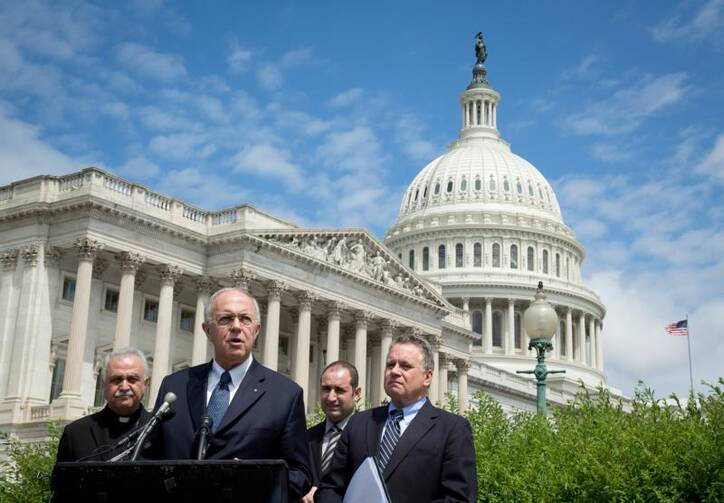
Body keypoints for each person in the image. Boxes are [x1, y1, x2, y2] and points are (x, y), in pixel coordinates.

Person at [149, 287, 312, 501]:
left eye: (245, 319)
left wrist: (256, 479)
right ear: (207, 329)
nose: (236, 327)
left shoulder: (285, 395)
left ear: (256, 330)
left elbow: (300, 475)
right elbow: (149, 458)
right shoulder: (175, 386)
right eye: (226, 319)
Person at [315, 334, 477, 502]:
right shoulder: (359, 423)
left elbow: (459, 498)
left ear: (427, 377)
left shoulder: (452, 429)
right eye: (390, 364)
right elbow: (330, 487)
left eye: (405, 366)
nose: (394, 371)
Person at [55, 347, 151, 462]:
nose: (124, 387)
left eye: (132, 379)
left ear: (145, 384)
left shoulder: (160, 431)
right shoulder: (76, 433)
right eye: (116, 379)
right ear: (104, 384)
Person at [302, 361, 361, 503]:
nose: (331, 397)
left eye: (339, 390)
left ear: (357, 393)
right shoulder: (306, 437)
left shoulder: (368, 439)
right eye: (326, 389)